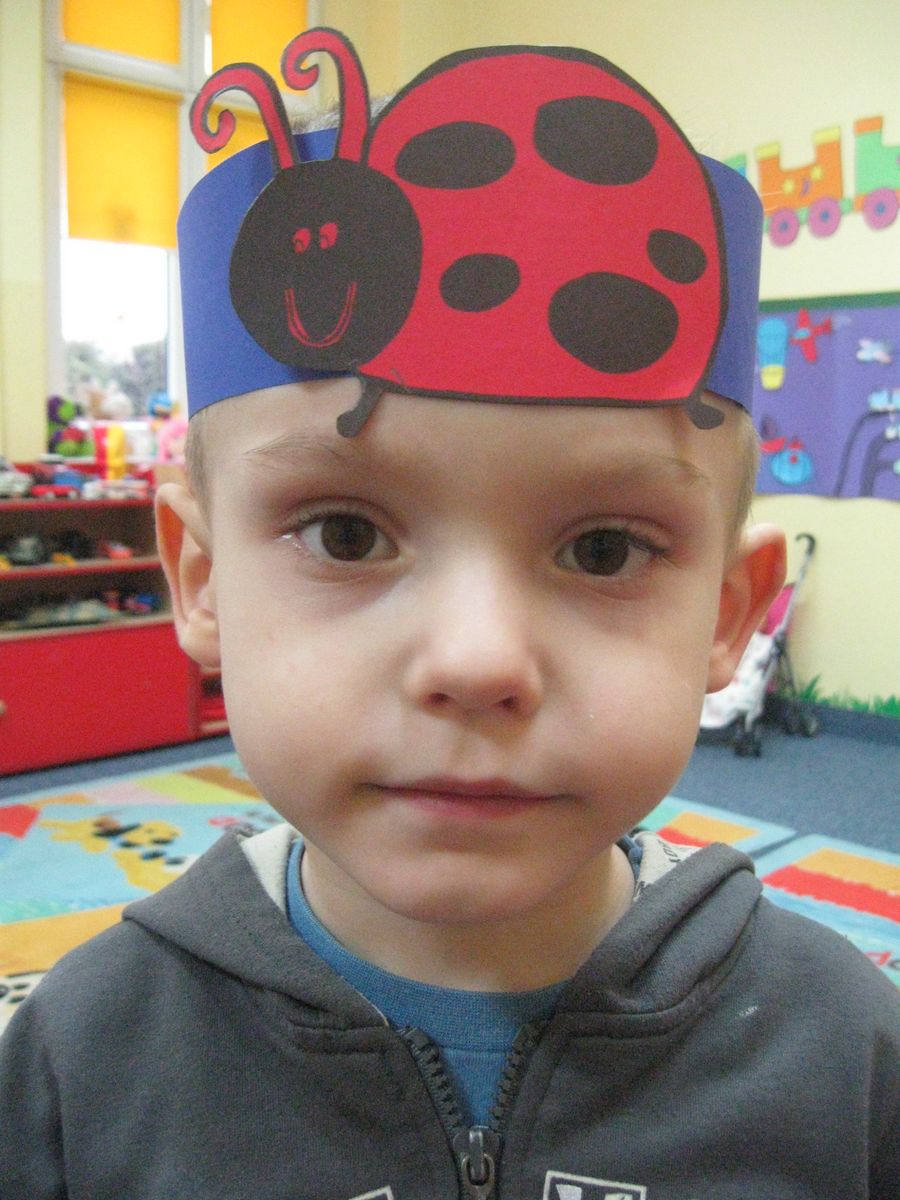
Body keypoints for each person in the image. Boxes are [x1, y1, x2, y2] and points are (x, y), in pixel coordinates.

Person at [2, 29, 897, 1200]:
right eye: (345, 534)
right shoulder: (80, 1069)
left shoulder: (845, 1063)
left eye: (604, 548)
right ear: (203, 580)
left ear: (729, 617)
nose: (478, 661)